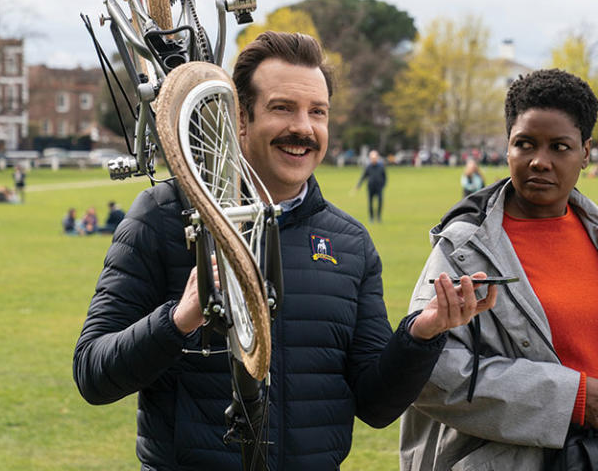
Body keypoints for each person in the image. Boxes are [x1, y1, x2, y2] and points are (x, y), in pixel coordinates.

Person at [73, 31, 498, 470]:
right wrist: (180, 319)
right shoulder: (165, 215)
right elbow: (92, 373)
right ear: (240, 117)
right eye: (282, 108)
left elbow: (375, 406)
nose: (304, 127)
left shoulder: (350, 243)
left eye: (318, 112)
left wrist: (420, 335)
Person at [400, 69, 598, 471]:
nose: (539, 161)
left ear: (586, 153)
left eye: (559, 147)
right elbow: (430, 372)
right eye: (524, 144)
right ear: (507, 147)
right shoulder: (463, 250)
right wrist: (570, 398)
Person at [356, 149, 387, 222]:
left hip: (379, 187)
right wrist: (359, 184)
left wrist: (383, 185)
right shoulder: (368, 167)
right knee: (370, 203)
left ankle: (379, 217)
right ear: (370, 158)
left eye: (375, 158)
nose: (373, 159)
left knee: (380, 202)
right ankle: (371, 217)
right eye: (372, 158)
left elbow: (385, 177)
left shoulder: (381, 166)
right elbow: (364, 176)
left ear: (377, 158)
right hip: (371, 187)